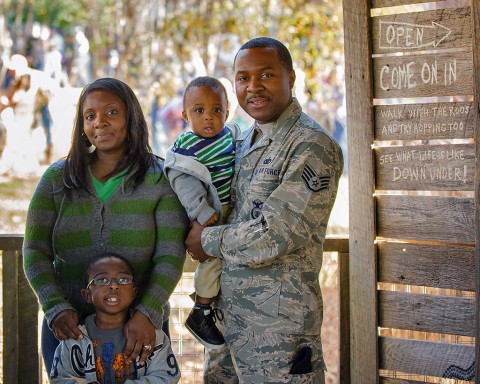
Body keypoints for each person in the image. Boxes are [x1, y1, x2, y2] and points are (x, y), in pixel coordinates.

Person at [185, 37, 344, 383]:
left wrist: (206, 239)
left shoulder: (310, 145)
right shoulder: (240, 141)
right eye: (243, 78)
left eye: (266, 75)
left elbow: (276, 234)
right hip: (227, 326)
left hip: (277, 336)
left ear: (291, 77)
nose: (253, 87)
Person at [23, 77, 189, 375]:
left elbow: (170, 255)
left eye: (111, 112)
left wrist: (147, 313)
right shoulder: (55, 180)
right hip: (70, 330)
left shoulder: (159, 178)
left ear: (131, 118)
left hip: (139, 330)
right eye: (90, 116)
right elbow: (34, 250)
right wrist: (54, 306)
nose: (100, 122)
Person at [164, 76, 240, 350]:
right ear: (185, 115)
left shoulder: (230, 136)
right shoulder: (185, 148)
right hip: (209, 214)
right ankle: (201, 312)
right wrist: (200, 210)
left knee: (223, 261)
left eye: (216, 110)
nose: (209, 118)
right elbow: (182, 181)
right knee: (212, 260)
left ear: (227, 112)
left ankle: (207, 299)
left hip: (230, 211)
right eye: (199, 111)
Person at [50, 252, 181, 383]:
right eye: (102, 280)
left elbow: (166, 377)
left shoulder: (151, 336)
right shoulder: (75, 338)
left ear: (134, 292)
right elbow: (59, 379)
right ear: (87, 295)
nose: (114, 285)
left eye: (123, 279)